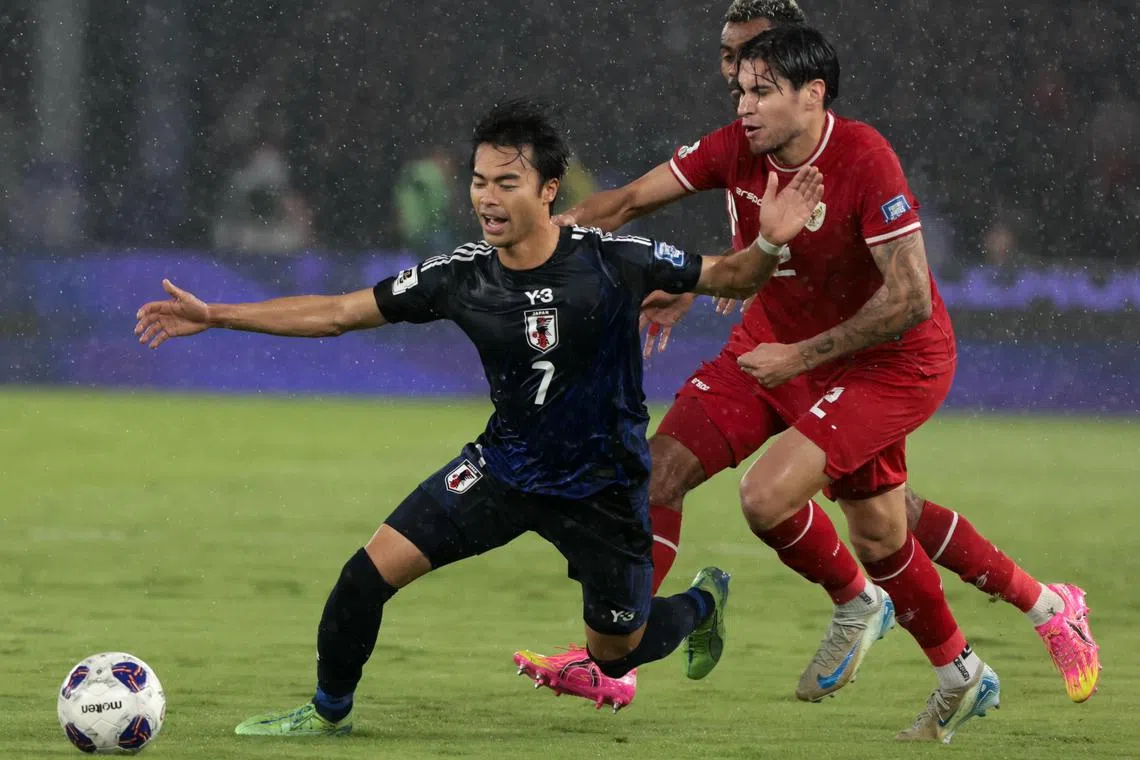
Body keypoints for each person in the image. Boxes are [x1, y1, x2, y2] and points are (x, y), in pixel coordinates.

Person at [133, 97, 825, 731]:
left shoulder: (616, 260)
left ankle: (703, 603)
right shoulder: (462, 276)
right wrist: (216, 314)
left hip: (604, 489)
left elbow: (731, 277)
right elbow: (339, 314)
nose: (486, 199)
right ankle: (325, 713)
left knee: (617, 656)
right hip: (502, 471)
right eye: (479, 181)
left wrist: (769, 244)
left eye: (506, 183)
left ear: (549, 192)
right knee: (363, 579)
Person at [517, 0, 1099, 716]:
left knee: (850, 516)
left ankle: (1014, 615)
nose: (737, 87)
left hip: (879, 361)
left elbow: (909, 298)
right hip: (773, 343)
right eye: (733, 71)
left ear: (803, 77)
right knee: (660, 470)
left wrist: (794, 351)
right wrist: (545, 234)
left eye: (753, 73)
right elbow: (634, 201)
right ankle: (622, 658)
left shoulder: (859, 156)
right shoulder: (737, 143)